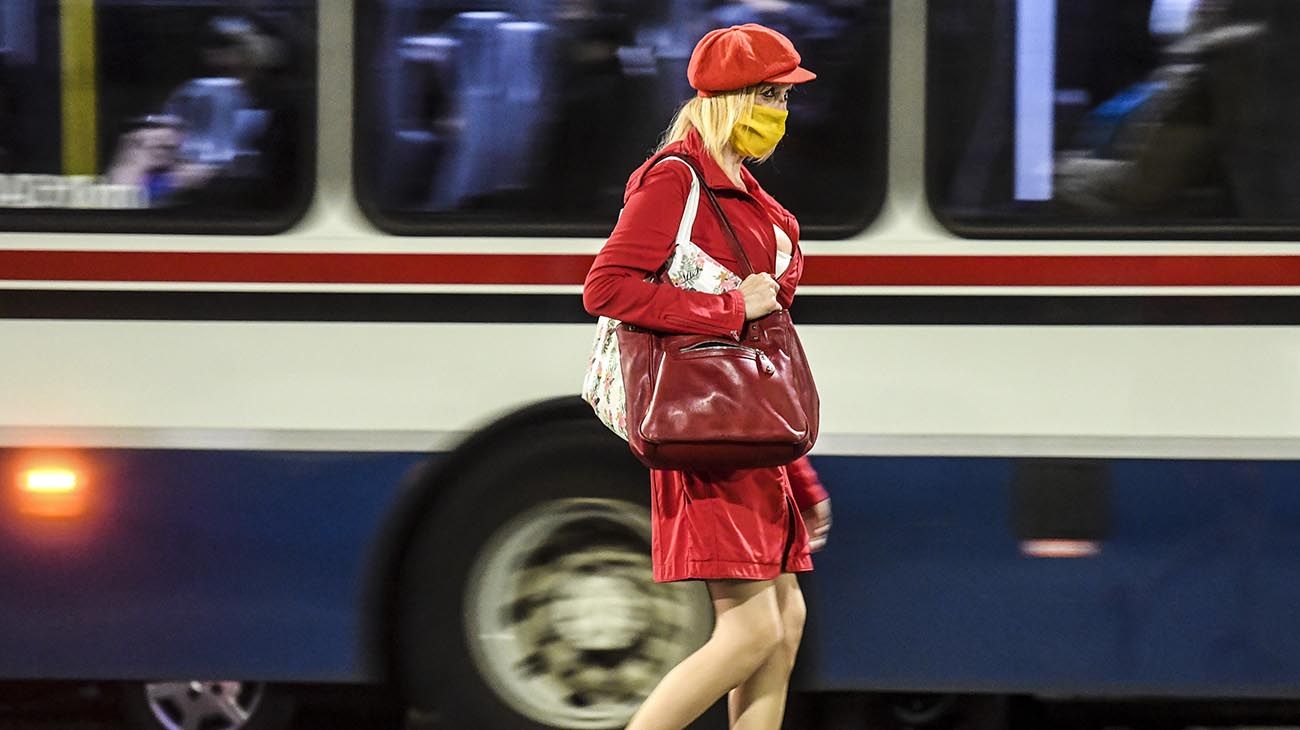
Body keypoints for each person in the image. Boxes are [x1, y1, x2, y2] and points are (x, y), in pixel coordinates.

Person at [582, 23, 833, 730]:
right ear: (724, 99)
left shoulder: (747, 196)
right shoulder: (677, 180)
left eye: (785, 97)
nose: (780, 112)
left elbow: (767, 360)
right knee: (751, 632)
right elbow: (606, 289)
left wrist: (802, 478)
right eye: (768, 94)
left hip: (751, 437)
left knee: (782, 628)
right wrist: (728, 305)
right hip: (708, 435)